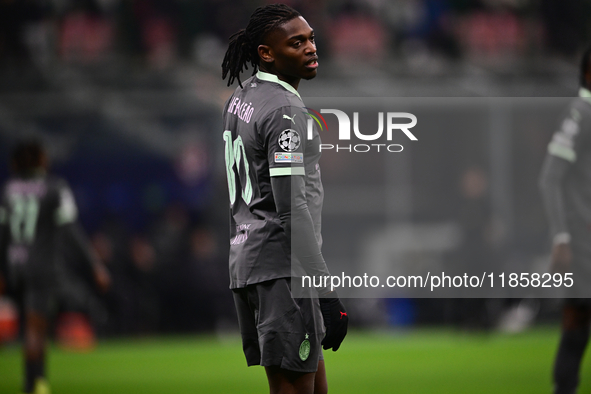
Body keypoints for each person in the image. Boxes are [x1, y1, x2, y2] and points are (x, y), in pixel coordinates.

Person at [221, 4, 348, 394]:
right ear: (266, 53)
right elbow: (291, 208)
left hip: (251, 259)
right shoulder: (285, 110)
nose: (310, 48)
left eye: (311, 39)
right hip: (282, 269)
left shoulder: (243, 97)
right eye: (297, 43)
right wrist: (327, 293)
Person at [0, 141, 110, 394]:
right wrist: (95, 264)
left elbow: (2, 232)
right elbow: (71, 229)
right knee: (36, 326)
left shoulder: (9, 190)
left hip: (15, 267)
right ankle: (35, 383)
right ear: (41, 160)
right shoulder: (54, 187)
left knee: (29, 324)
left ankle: (35, 380)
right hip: (41, 267)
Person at [539, 46, 591, 394]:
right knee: (576, 326)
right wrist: (561, 236)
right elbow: (549, 177)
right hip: (583, 240)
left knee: (577, 326)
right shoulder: (581, 110)